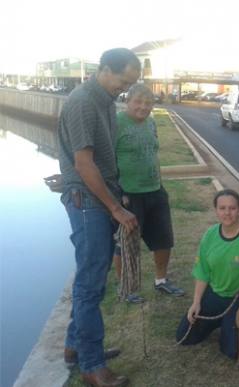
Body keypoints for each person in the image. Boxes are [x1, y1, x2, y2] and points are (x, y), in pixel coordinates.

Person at [58, 48, 141, 387]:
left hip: (96, 198)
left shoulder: (105, 100)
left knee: (92, 279)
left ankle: (74, 347)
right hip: (89, 203)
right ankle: (92, 365)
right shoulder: (83, 101)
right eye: (123, 81)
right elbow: (83, 163)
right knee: (90, 285)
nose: (124, 89)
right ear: (105, 69)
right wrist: (116, 208)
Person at [175, 189, 239, 359]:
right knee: (185, 336)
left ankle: (238, 325)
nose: (227, 213)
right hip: (215, 294)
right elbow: (202, 272)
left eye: (232, 208)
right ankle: (223, 321)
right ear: (216, 210)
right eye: (222, 208)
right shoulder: (210, 235)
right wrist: (196, 302)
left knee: (233, 351)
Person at [112, 83, 184, 303]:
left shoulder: (152, 123)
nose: (143, 107)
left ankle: (161, 281)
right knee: (125, 244)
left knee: (164, 240)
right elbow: (107, 161)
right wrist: (118, 193)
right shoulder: (115, 124)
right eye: (138, 102)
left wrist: (160, 184)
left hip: (155, 191)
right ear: (128, 101)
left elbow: (154, 154)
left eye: (148, 103)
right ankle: (126, 288)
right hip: (129, 194)